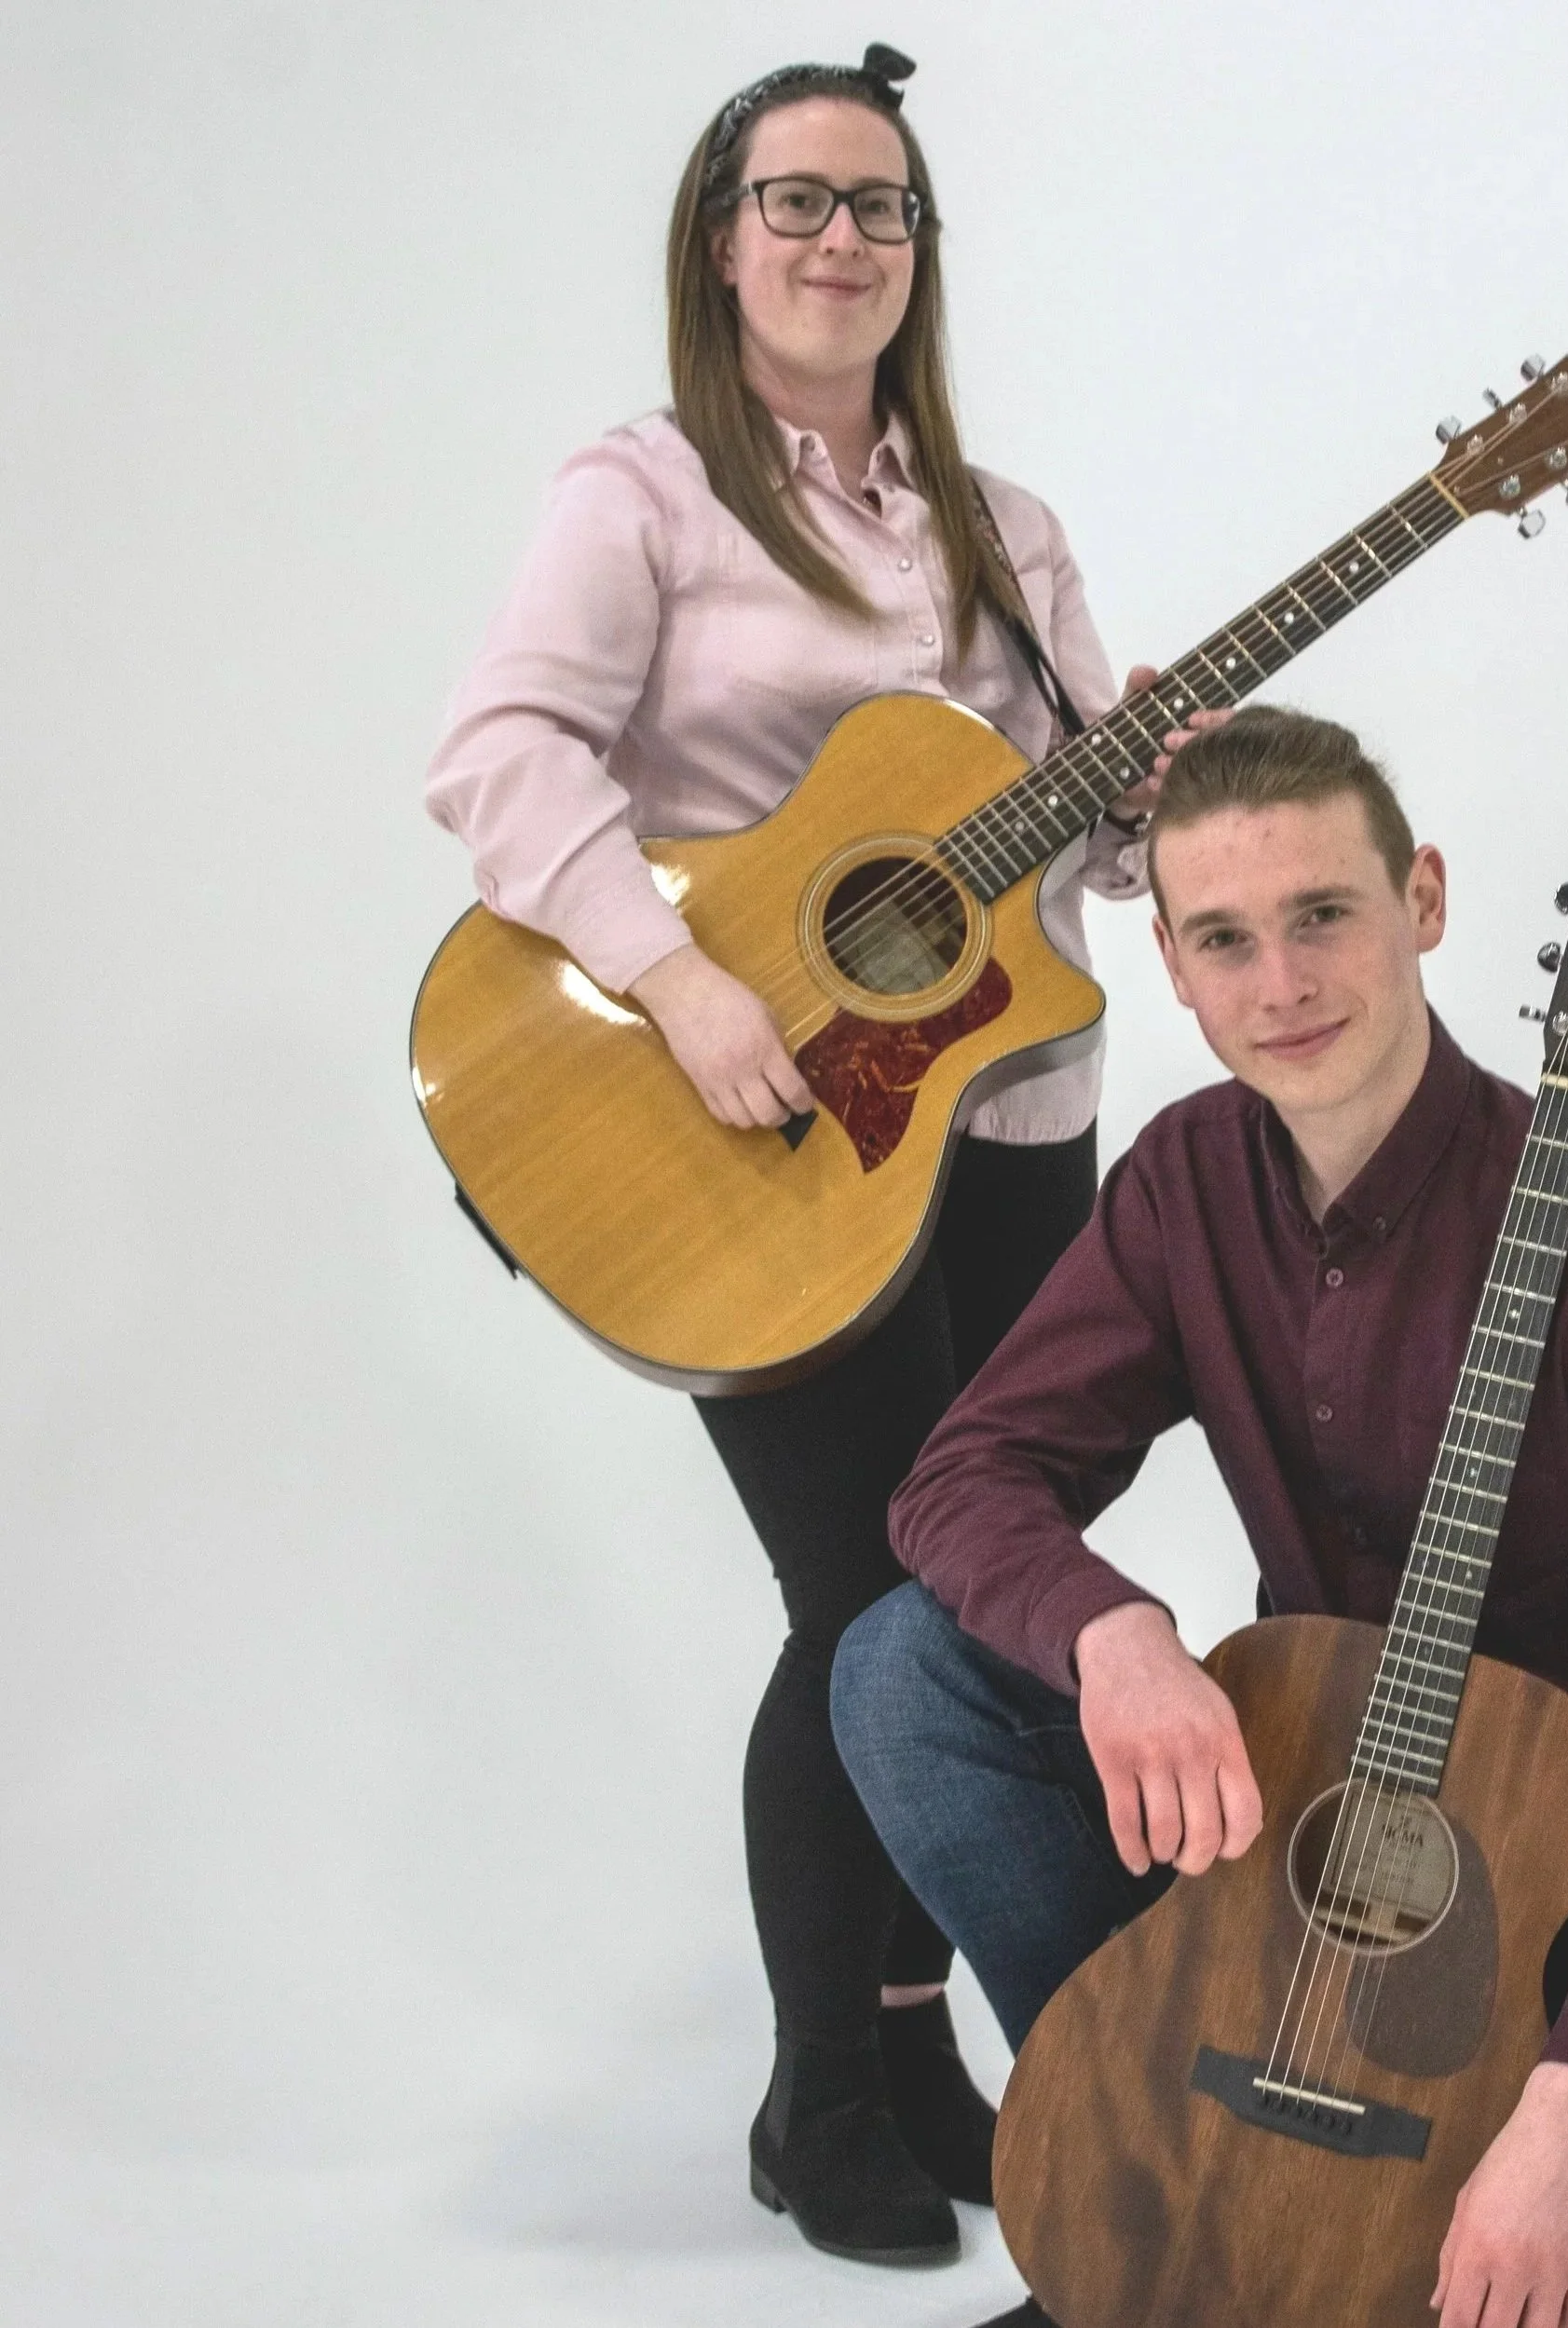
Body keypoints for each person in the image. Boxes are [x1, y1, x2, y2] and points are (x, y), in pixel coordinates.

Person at [832, 707, 1568, 2328]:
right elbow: (960, 1478)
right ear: (1170, 963)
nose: (1281, 984)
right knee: (902, 1668)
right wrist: (1111, 1632)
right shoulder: (1184, 1186)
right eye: (1225, 938)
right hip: (1323, 1816)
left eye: (1322, 913)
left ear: (1421, 899)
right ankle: (1152, 2150)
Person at [424, 44, 1216, 2270]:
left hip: (1007, 1114)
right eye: (799, 201)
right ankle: (819, 2093)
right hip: (745, 1121)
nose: (843, 240)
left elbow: (1093, 846)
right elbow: (497, 750)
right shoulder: (646, 493)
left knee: (985, 1577)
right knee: (869, 1594)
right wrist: (679, 977)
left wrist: (1150, 794)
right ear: (721, 238)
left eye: (881, 207)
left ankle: (912, 2038)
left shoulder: (1002, 527)